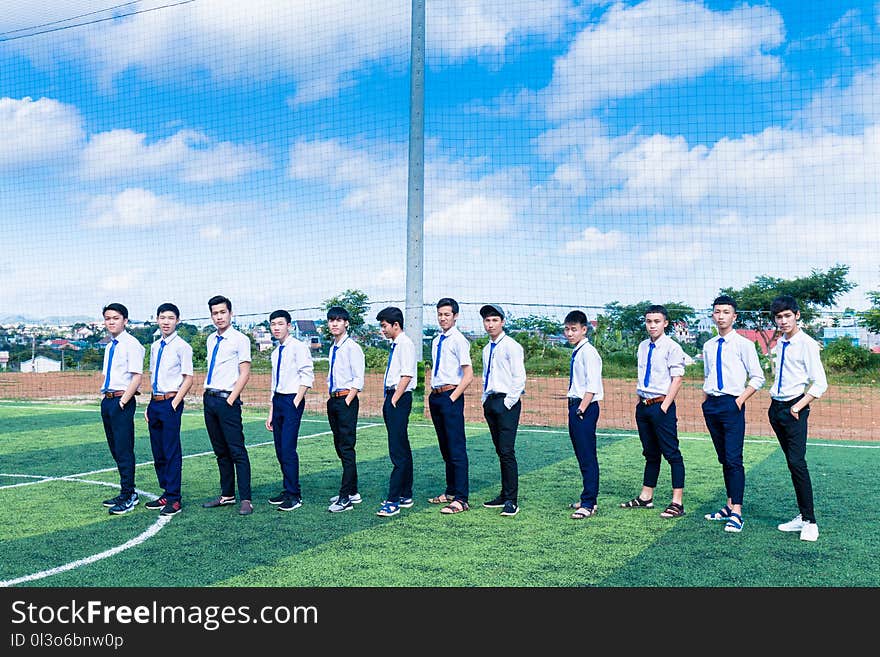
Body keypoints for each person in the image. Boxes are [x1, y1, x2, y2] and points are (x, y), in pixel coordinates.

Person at [700, 295, 765, 533]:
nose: (721, 316)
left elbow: (758, 377)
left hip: (731, 405)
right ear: (713, 315)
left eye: (726, 312)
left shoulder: (743, 345)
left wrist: (739, 400)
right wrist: (705, 401)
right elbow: (708, 375)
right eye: (717, 312)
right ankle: (728, 505)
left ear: (734, 316)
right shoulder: (708, 345)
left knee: (734, 458)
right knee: (723, 458)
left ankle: (736, 512)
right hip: (712, 406)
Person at [768, 294, 827, 542]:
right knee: (792, 464)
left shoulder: (807, 344)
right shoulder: (779, 344)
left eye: (787, 316)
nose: (783, 321)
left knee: (797, 463)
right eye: (779, 317)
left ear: (797, 316)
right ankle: (801, 517)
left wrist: (798, 406)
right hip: (776, 409)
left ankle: (810, 522)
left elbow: (820, 383)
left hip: (795, 408)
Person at [620, 304, 687, 518]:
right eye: (649, 321)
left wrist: (665, 406)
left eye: (656, 321)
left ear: (665, 323)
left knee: (672, 454)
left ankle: (677, 502)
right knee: (650, 453)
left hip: (661, 406)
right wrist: (640, 401)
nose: (652, 325)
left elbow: (677, 378)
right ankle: (645, 497)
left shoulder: (672, 347)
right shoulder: (642, 346)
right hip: (644, 406)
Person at [200, 295, 254, 516]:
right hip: (209, 398)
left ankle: (246, 499)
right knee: (220, 451)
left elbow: (245, 372)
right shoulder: (211, 339)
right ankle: (227, 495)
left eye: (222, 312)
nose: (219, 317)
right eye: (215, 313)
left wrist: (231, 398)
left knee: (236, 450)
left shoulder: (240, 339)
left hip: (227, 400)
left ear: (231, 313)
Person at [143, 302, 193, 517]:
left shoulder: (183, 346)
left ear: (177, 321)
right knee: (158, 451)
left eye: (170, 318)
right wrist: (149, 403)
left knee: (171, 450)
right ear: (157, 319)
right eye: (162, 317)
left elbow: (188, 378)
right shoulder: (155, 346)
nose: (166, 322)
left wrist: (175, 402)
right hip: (155, 403)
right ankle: (165, 491)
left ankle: (174, 498)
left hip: (171, 402)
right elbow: (154, 376)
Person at [427, 297, 474, 515]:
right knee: (445, 447)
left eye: (447, 314)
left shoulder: (459, 340)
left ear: (455, 316)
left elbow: (468, 375)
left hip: (450, 396)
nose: (443, 318)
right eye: (440, 314)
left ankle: (461, 498)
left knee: (456, 448)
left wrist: (452, 398)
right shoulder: (436, 340)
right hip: (436, 396)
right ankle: (450, 491)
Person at [479, 304, 526, 517]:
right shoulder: (486, 348)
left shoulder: (511, 346)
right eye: (487, 321)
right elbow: (485, 376)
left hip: (506, 402)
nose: (490, 324)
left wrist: (509, 402)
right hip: (491, 401)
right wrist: (485, 400)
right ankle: (503, 494)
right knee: (500, 451)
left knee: (507, 451)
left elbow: (519, 377)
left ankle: (511, 500)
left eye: (494, 320)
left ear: (502, 322)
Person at [265, 309, 314, 512]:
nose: (276, 328)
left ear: (289, 326)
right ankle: (287, 489)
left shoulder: (298, 347)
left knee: (288, 448)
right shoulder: (276, 352)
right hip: (278, 401)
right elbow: (274, 382)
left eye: (280, 324)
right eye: (273, 324)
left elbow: (307, 374)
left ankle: (295, 495)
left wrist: (297, 399)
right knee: (279, 449)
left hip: (292, 400)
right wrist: (271, 410)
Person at [99, 302, 145, 515]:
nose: (111, 322)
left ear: (125, 320)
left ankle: (129, 494)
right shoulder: (110, 346)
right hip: (107, 400)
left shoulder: (131, 344)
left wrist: (123, 401)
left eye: (115, 318)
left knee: (124, 449)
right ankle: (125, 490)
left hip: (121, 401)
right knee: (115, 449)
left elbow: (137, 376)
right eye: (108, 318)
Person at [375, 306, 417, 518]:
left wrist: (393, 399)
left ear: (395, 325)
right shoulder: (395, 345)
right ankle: (405, 494)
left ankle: (393, 501)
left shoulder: (405, 344)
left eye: (384, 326)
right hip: (393, 397)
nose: (383, 330)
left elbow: (407, 375)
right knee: (402, 446)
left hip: (397, 399)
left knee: (397, 451)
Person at [563, 310, 604, 520]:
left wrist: (580, 410)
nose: (569, 333)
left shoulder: (589, 353)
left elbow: (593, 385)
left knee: (588, 456)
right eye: (567, 329)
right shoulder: (578, 351)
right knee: (582, 455)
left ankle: (589, 503)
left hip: (584, 407)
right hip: (576, 406)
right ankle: (588, 497)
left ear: (584, 330)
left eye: (574, 329)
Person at [325, 305, 366, 513]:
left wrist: (348, 400)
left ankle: (345, 498)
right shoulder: (333, 347)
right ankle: (353, 491)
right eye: (331, 320)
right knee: (340, 447)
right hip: (333, 400)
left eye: (338, 320)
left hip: (345, 400)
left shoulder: (352, 347)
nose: (334, 324)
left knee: (347, 448)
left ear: (346, 323)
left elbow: (358, 379)